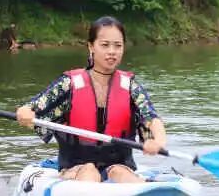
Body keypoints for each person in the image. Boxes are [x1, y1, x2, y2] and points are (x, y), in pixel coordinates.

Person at [16, 16, 167, 183]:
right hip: (75, 167)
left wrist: (157, 141)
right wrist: (25, 113)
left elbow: (151, 118)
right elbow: (32, 108)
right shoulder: (69, 84)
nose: (112, 51)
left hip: (118, 165)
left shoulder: (131, 87)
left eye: (118, 46)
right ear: (91, 46)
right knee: (89, 171)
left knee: (120, 173)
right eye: (105, 45)